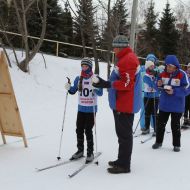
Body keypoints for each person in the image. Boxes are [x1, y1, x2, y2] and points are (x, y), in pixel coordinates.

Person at [92, 34, 142, 174]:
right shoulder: (125, 58)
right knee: (122, 135)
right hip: (122, 104)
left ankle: (124, 165)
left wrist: (107, 83)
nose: (113, 49)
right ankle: (121, 160)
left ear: (120, 47)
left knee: (125, 136)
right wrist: (105, 83)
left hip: (125, 105)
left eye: (115, 47)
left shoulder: (128, 60)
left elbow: (127, 84)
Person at [64, 57, 103, 163]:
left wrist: (96, 88)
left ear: (90, 67)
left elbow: (100, 93)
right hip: (81, 108)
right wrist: (68, 87)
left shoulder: (95, 78)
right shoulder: (79, 78)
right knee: (79, 129)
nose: (84, 68)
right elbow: (73, 91)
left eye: (86, 66)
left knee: (88, 130)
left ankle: (90, 152)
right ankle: (80, 150)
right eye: (82, 66)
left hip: (91, 109)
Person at [152, 55, 190, 152]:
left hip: (177, 106)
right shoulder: (162, 73)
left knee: (175, 126)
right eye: (167, 66)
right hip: (164, 105)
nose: (168, 68)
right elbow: (157, 85)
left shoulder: (182, 74)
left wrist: (174, 92)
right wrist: (158, 84)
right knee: (160, 125)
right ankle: (158, 142)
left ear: (175, 66)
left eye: (170, 66)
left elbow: (187, 89)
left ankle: (176, 145)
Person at [140, 54, 159, 134]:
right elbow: (152, 84)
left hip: (155, 96)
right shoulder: (145, 74)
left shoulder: (157, 72)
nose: (152, 67)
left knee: (154, 113)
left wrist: (156, 76)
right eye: (150, 66)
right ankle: (146, 127)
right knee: (146, 112)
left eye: (153, 65)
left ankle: (155, 128)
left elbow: (159, 84)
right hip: (146, 95)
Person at [182, 63, 190, 128]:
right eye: (188, 67)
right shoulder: (185, 74)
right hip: (186, 93)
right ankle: (185, 119)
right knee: (185, 107)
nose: (189, 69)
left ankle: (189, 120)